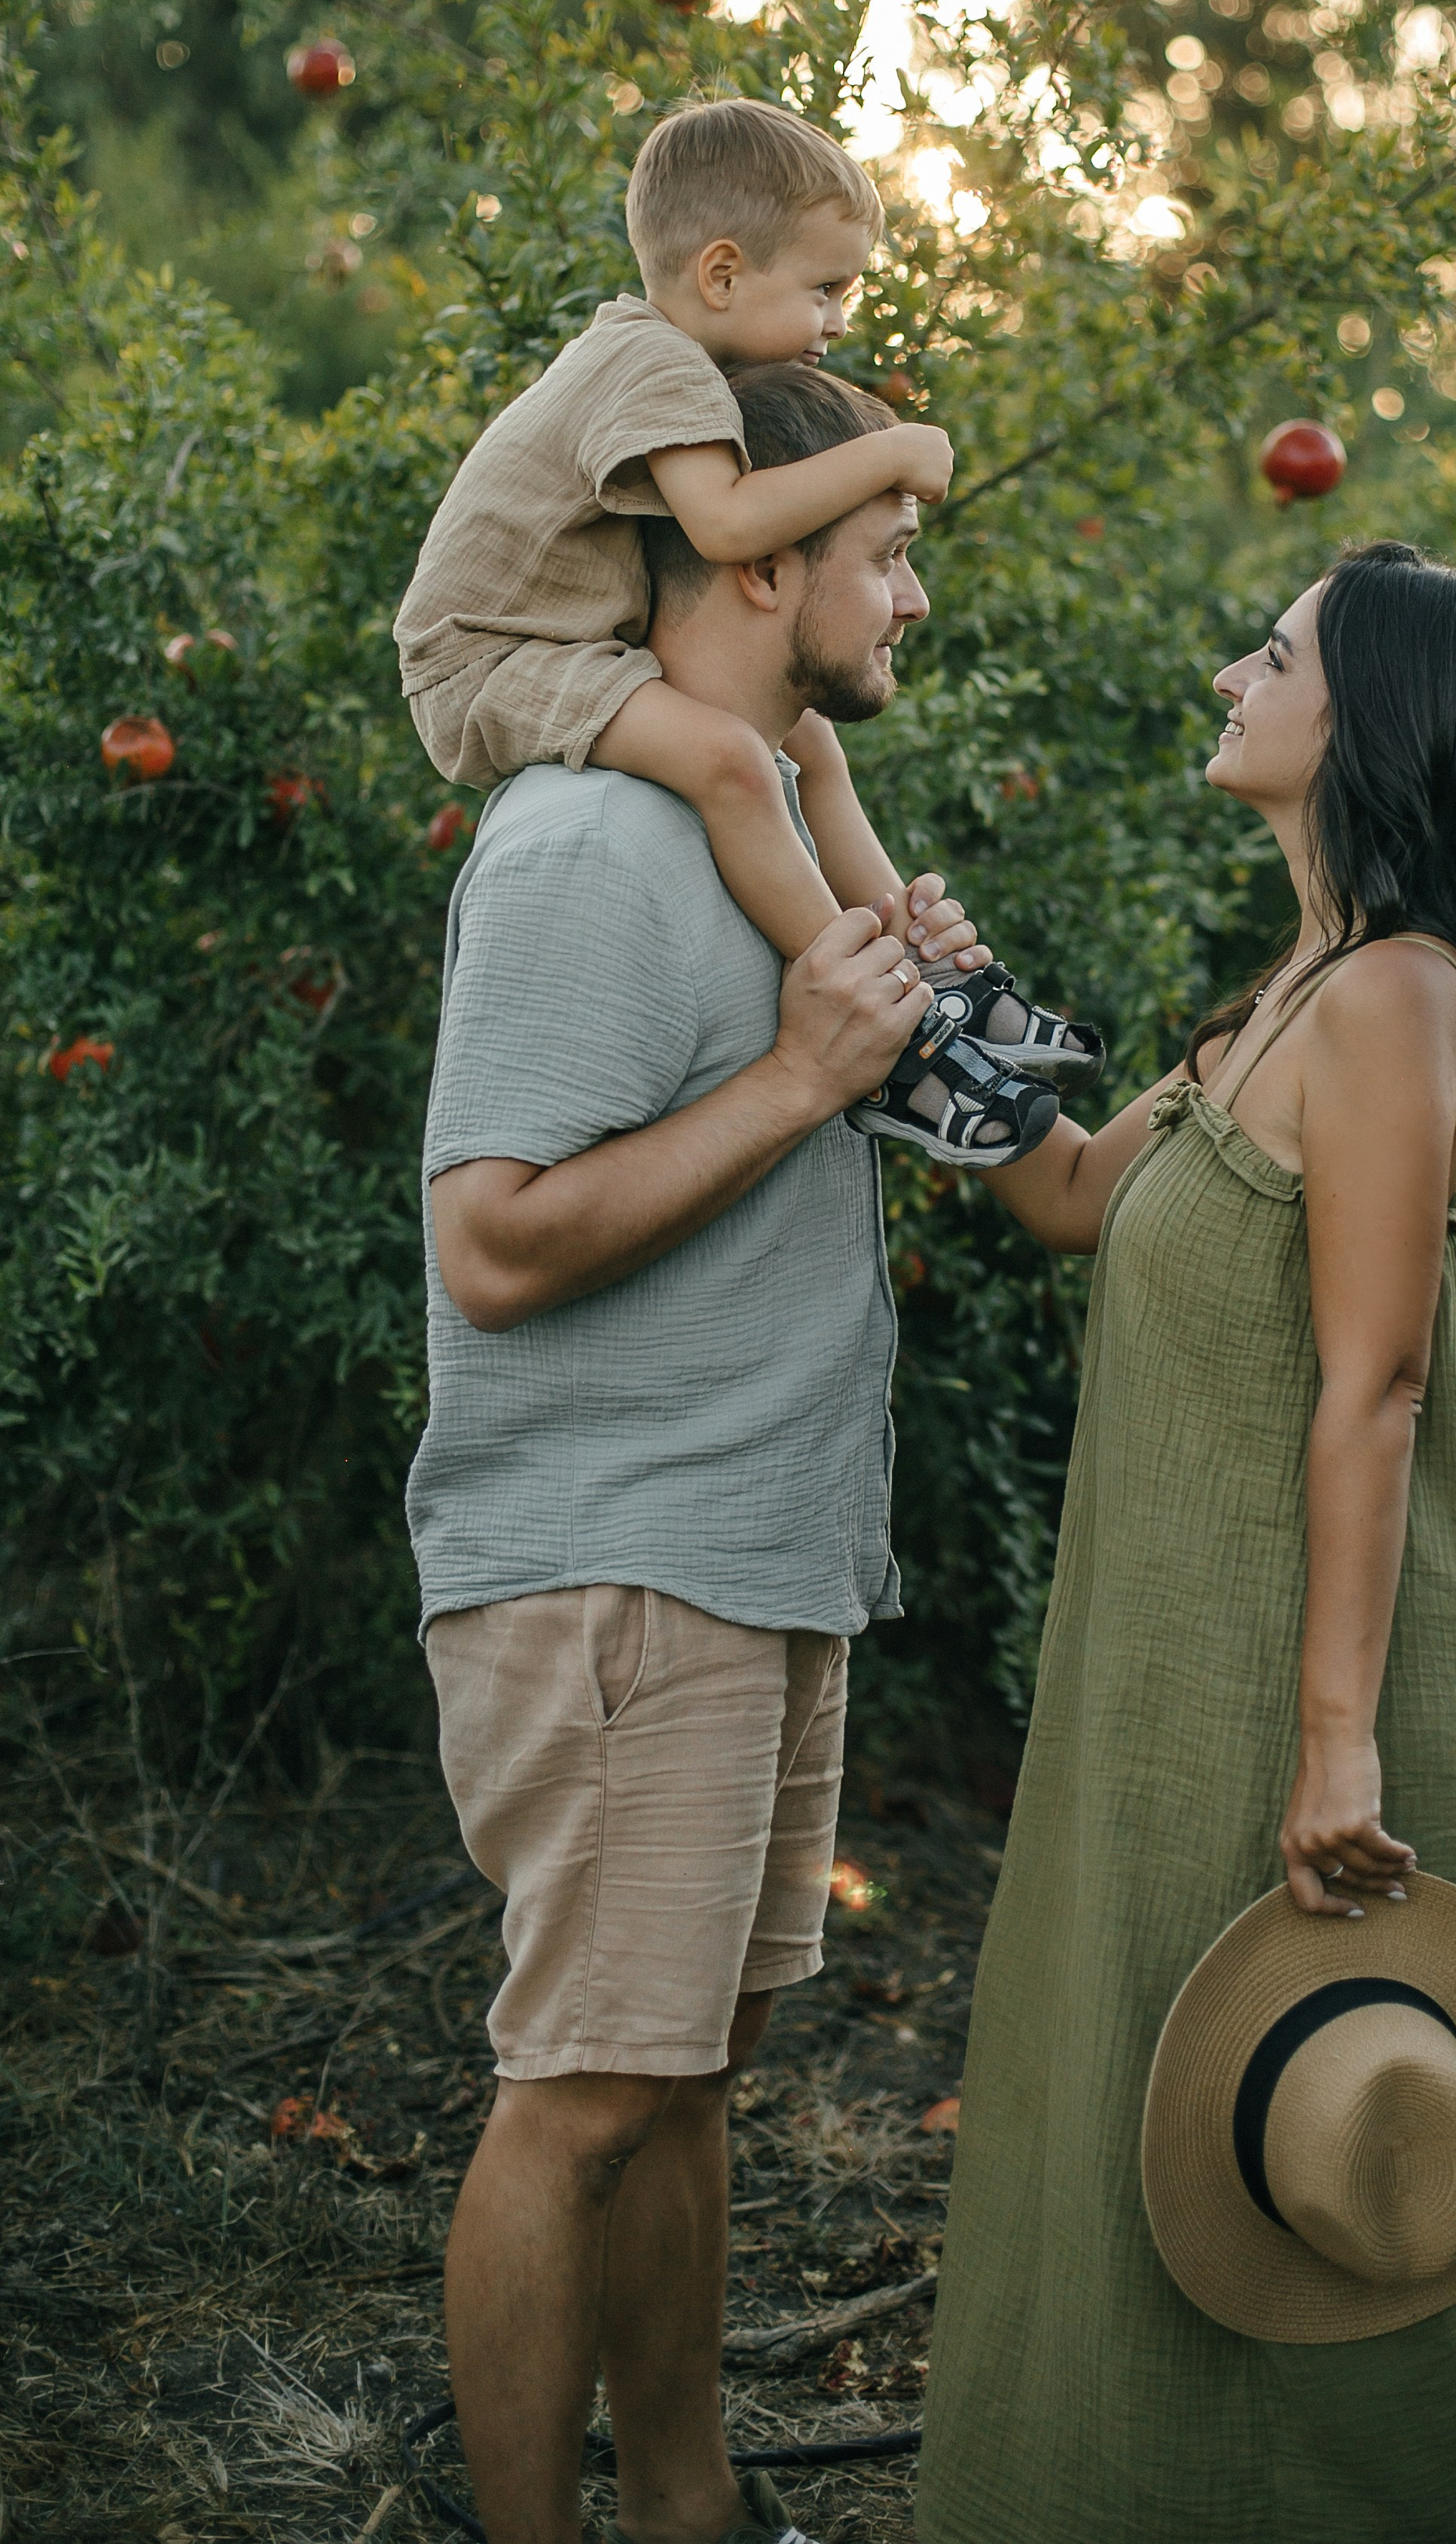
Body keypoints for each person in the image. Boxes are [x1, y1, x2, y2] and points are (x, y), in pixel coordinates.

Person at [919, 540, 1456, 2543]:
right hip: (1172, 1676)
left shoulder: (1396, 1000)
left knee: (1296, 2201)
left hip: (1296, 1702)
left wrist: (1332, 1747)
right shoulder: (1293, 993)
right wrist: (921, 987)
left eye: (1275, 651)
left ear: (1363, 716)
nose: (1233, 669)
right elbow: (1065, 1192)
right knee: (1146, 2145)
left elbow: (1375, 1384)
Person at [407, 363, 1018, 2544]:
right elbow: (489, 1244)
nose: (913, 590)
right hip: (615, 1571)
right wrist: (795, 1074)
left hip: (749, 1552)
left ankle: (690, 2509)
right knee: (578, 2092)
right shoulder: (585, 840)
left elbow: (965, 1117)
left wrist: (893, 1026)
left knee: (682, 2083)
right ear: (762, 556)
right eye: (889, 548)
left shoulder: (762, 829)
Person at [395, 95, 1100, 1160]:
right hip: (489, 660)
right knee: (732, 756)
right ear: (720, 276)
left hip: (560, 643)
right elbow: (728, 526)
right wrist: (897, 448)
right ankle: (890, 1038)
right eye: (826, 290)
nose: (840, 322)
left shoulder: (673, 366)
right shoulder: (653, 366)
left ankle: (932, 972)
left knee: (803, 741)